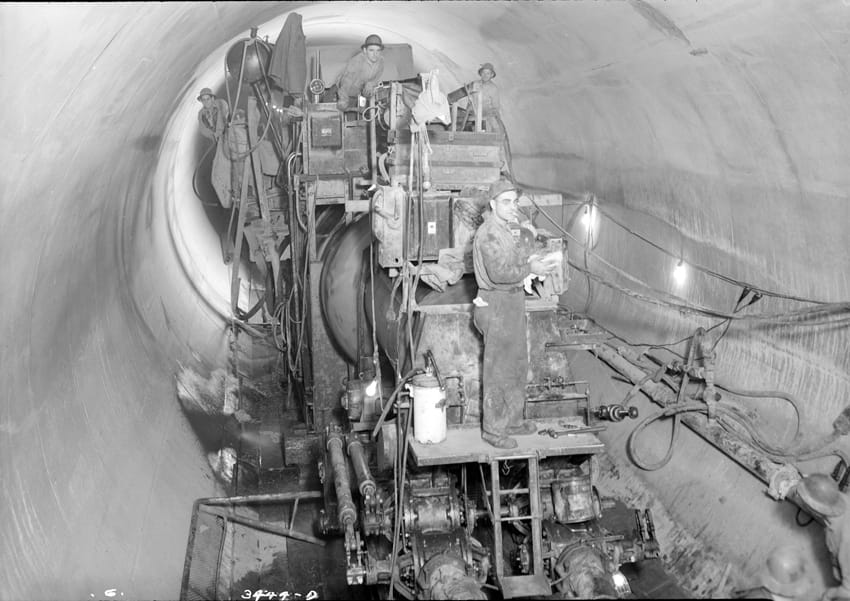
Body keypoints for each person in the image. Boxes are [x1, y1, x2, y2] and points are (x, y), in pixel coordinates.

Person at [471, 179, 558, 449]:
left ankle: (514, 420)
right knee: (498, 368)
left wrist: (534, 262)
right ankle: (494, 430)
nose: (512, 207)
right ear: (493, 204)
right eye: (506, 202)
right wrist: (529, 266)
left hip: (512, 302)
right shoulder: (488, 234)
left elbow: (514, 261)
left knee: (518, 363)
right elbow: (499, 274)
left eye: (515, 202)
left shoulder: (506, 230)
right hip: (495, 303)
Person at [793, 473, 850, 601]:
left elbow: (848, 592)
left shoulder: (845, 541)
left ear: (816, 508)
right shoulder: (839, 499)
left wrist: (829, 595)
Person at [335, 34, 385, 110]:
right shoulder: (356, 62)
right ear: (365, 50)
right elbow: (345, 83)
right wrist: (343, 99)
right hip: (343, 92)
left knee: (365, 115)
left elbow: (376, 78)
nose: (375, 54)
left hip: (360, 95)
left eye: (378, 50)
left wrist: (371, 84)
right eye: (371, 50)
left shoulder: (381, 61)